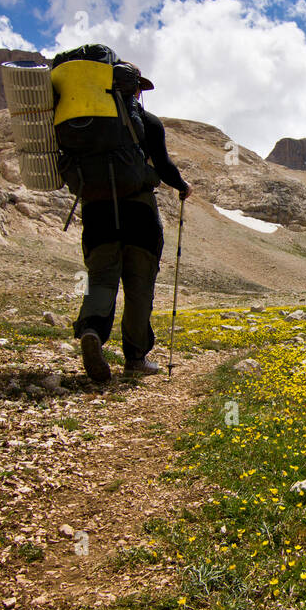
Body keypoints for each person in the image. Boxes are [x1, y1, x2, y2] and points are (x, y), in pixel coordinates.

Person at [71, 65, 191, 382]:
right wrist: (182, 186)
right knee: (139, 288)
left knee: (101, 280)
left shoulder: (84, 122)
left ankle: (93, 331)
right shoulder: (147, 123)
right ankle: (136, 358)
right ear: (136, 89)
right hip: (139, 214)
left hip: (98, 213)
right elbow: (163, 166)